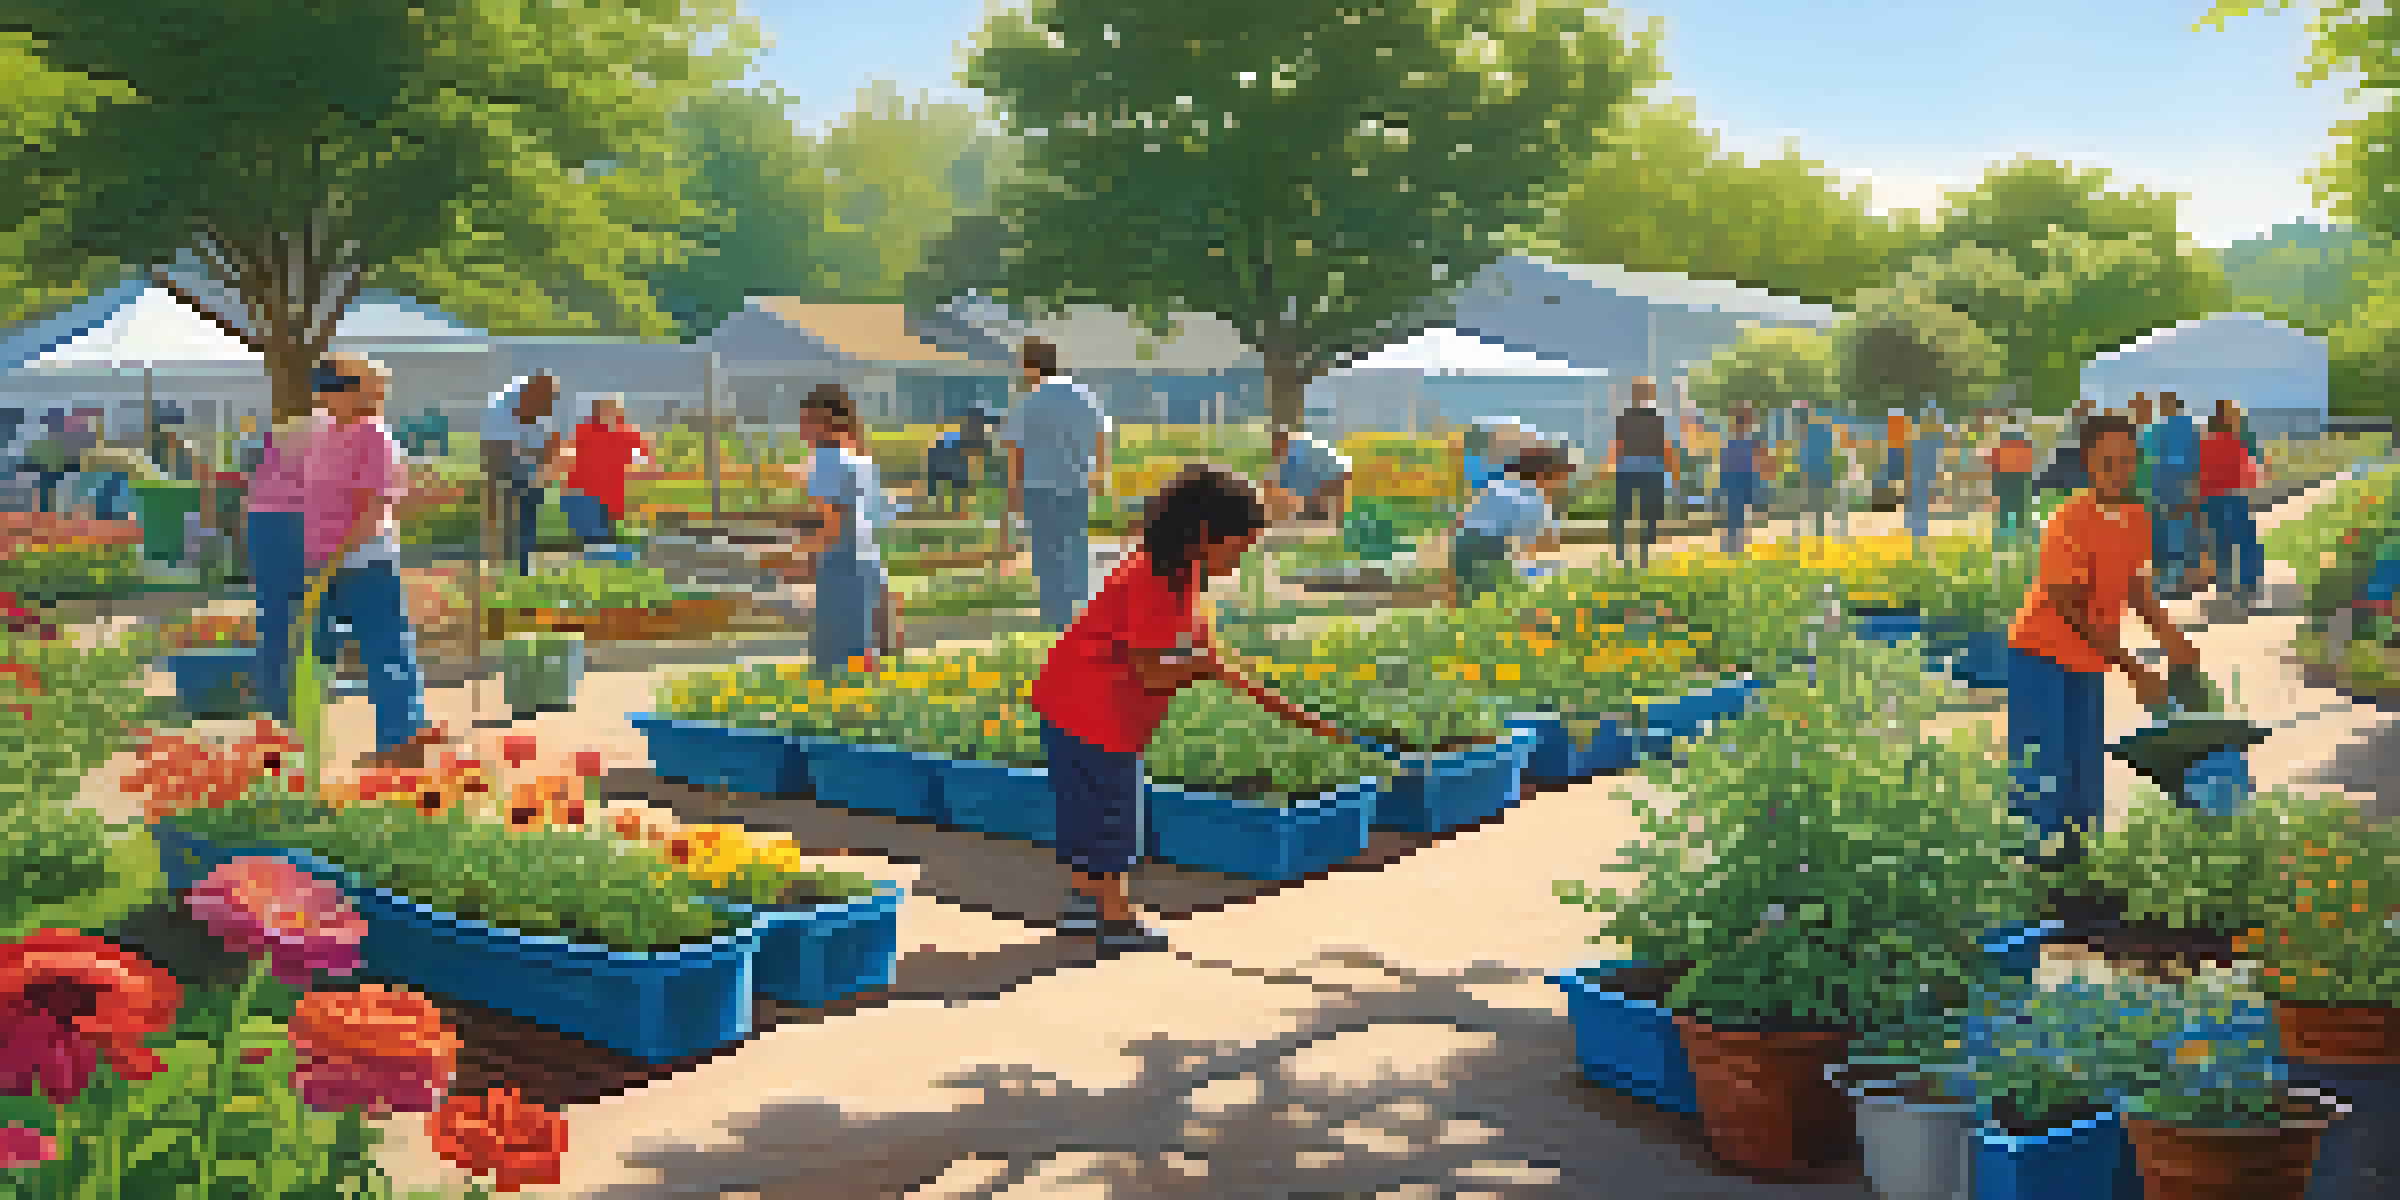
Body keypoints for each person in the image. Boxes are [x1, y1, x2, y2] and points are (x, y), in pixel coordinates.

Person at [1032, 464, 1355, 954]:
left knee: (1087, 810)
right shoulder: (1152, 580)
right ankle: (1116, 919)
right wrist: (1201, 666)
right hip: (1092, 711)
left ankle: (1084, 902)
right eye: (1238, 545)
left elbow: (1187, 646)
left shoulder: (1172, 572)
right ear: (1204, 533)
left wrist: (1232, 674)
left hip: (1078, 705)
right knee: (1114, 817)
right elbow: (1152, 672)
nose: (1241, 558)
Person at [2005, 411, 2200, 868]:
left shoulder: (2136, 516)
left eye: (2128, 461)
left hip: (2089, 658)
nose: (2120, 471)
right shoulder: (2068, 520)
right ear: (2088, 463)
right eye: (2110, 462)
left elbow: (2136, 588)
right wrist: (2136, 670)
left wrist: (2172, 639)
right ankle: (2037, 869)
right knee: (2043, 766)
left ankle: (2082, 865)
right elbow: (2070, 606)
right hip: (2040, 655)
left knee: (2083, 766)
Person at [299, 355, 450, 769]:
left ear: (360, 392)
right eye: (321, 384)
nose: (324, 392)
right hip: (321, 558)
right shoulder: (324, 432)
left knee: (385, 648)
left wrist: (338, 554)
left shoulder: (374, 438)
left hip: (364, 559)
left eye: (335, 385)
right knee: (316, 650)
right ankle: (310, 744)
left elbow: (372, 509)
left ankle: (401, 739)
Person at [784, 384, 898, 676]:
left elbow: (833, 522)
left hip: (840, 563)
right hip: (865, 559)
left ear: (821, 422)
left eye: (804, 422)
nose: (800, 430)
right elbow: (872, 514)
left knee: (835, 660)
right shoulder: (857, 458)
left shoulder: (823, 461)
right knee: (861, 653)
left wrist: (798, 555)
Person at [1000, 338, 1111, 632]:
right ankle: (1082, 611)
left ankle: (1055, 613)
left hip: (1039, 485)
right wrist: (1100, 474)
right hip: (1076, 484)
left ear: (1031, 365)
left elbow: (1016, 451)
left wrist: (1013, 491)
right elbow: (1101, 436)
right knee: (1075, 546)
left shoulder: (1028, 401)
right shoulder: (1084, 396)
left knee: (1046, 552)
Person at [244, 398, 341, 725]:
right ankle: (312, 697)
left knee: (273, 613)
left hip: (264, 519)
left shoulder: (281, 429)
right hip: (306, 518)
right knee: (317, 609)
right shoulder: (337, 428)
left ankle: (276, 707)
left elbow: (255, 478)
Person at [1443, 443, 1573, 607]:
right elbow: (1534, 549)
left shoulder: (1499, 485)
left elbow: (1461, 521)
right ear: (1545, 474)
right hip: (1490, 556)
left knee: (1465, 602)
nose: (1563, 483)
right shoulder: (1534, 500)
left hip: (1462, 552)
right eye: (1561, 476)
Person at [479, 372, 578, 576]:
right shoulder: (501, 409)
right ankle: (501, 565)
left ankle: (522, 568)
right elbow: (494, 450)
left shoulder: (542, 415)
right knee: (504, 516)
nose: (548, 405)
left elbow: (551, 445)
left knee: (526, 519)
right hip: (505, 466)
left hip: (526, 469)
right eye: (546, 400)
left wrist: (544, 471)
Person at [555, 393, 650, 551]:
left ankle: (625, 557)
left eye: (612, 410)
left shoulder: (628, 435)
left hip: (608, 501)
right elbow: (564, 456)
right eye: (604, 410)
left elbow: (642, 463)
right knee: (597, 544)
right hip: (583, 497)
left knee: (601, 543)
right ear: (596, 413)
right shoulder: (583, 432)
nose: (609, 415)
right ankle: (626, 557)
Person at [2196, 400, 2265, 615]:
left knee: (2222, 545)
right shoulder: (2238, 441)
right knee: (2245, 543)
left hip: (2214, 500)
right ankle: (2247, 587)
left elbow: (2200, 473)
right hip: (2234, 498)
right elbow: (2249, 471)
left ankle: (2227, 590)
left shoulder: (2206, 441)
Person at [1608, 379, 1677, 569]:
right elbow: (1618, 444)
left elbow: (1662, 445)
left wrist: (1669, 466)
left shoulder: (1650, 417)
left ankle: (1633, 553)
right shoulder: (1637, 417)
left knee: (1640, 513)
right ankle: (1627, 553)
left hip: (1642, 467)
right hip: (1641, 467)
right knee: (1633, 513)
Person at [2146, 392, 2202, 597]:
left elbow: (2188, 458)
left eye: (2164, 404)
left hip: (2172, 486)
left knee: (2174, 531)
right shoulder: (2182, 427)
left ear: (2173, 405)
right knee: (2177, 531)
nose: (2161, 408)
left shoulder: (2171, 428)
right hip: (2170, 486)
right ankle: (2179, 579)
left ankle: (2174, 580)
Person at [1267, 425, 1354, 525]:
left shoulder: (1296, 450)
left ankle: (1320, 512)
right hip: (1333, 479)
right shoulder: (1292, 451)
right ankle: (1316, 512)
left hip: (1333, 479)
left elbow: (1297, 480)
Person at [1718, 410, 1765, 554]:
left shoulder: (1744, 442)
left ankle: (1735, 545)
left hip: (1742, 479)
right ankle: (1733, 545)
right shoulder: (1736, 443)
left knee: (1738, 513)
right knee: (1735, 513)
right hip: (1737, 479)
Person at [1990, 425, 2036, 547]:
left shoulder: (2003, 447)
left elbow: (1995, 465)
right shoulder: (2024, 446)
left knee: (2010, 509)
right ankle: (2018, 536)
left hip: (2010, 477)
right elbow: (2029, 463)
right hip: (2016, 477)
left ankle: (2006, 536)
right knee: (2017, 509)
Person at [1798, 410, 1840, 540]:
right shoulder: (1822, 431)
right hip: (1820, 471)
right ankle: (1820, 531)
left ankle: (1817, 531)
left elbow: (1805, 454)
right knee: (1820, 503)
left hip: (1815, 471)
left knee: (1815, 502)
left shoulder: (1807, 433)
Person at [1907, 410, 1946, 540]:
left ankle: (1918, 530)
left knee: (1919, 502)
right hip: (1919, 475)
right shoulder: (1927, 441)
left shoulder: (1926, 441)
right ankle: (1917, 530)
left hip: (1920, 475)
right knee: (1918, 502)